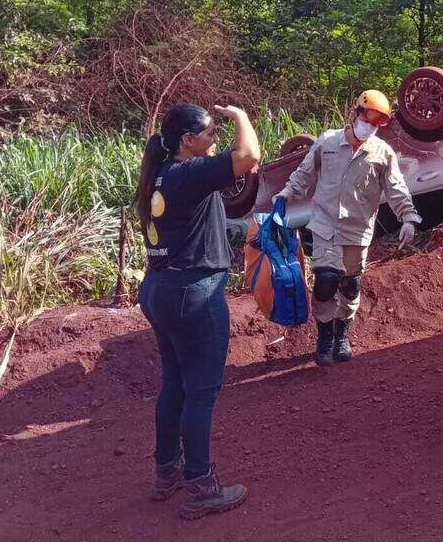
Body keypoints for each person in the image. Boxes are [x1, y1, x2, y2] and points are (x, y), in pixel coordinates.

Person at [134, 103, 260, 520]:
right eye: (209, 135)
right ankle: (201, 486)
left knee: (175, 383)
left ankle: (166, 470)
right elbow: (249, 158)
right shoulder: (190, 172)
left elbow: (203, 220)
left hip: (160, 288)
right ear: (188, 140)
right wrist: (240, 116)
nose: (214, 142)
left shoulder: (163, 177)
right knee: (201, 392)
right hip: (193, 294)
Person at [277, 90, 420, 366]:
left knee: (350, 285)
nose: (372, 126)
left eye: (379, 122)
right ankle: (325, 335)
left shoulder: (382, 153)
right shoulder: (327, 142)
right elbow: (305, 173)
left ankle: (343, 332)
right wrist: (287, 193)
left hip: (357, 230)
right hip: (325, 225)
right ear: (356, 113)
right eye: (369, 118)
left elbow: (397, 189)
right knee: (326, 281)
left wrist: (409, 218)